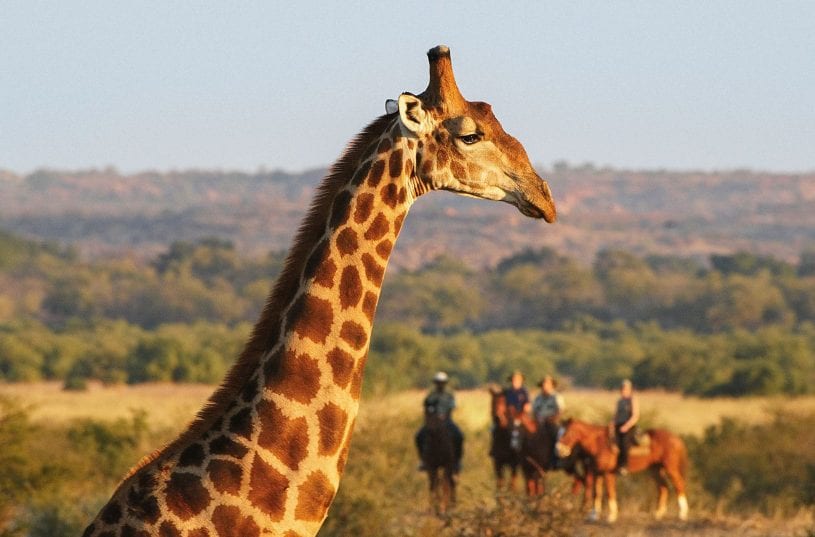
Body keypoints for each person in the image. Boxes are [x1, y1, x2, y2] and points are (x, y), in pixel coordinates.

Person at [415, 371, 464, 472]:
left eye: (442, 382)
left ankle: (457, 461)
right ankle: (423, 460)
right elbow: (426, 407)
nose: (440, 384)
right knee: (419, 436)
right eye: (438, 382)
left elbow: (452, 406)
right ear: (435, 383)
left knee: (459, 435)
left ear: (445, 383)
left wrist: (444, 415)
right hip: (432, 421)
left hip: (447, 420)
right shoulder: (431, 395)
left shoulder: (449, 395)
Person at [531, 374, 565, 469]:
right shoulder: (538, 398)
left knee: (557, 437)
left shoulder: (556, 397)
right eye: (544, 384)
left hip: (552, 423)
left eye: (548, 384)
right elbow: (534, 411)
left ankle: (556, 460)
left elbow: (560, 410)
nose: (545, 386)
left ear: (552, 385)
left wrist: (551, 419)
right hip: (539, 423)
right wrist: (537, 419)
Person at [613, 378, 640, 475]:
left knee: (624, 443)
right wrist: (612, 423)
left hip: (629, 426)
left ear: (629, 389)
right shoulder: (620, 401)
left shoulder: (632, 400)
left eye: (625, 388)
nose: (623, 390)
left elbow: (635, 415)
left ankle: (624, 465)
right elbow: (616, 414)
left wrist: (626, 426)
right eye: (622, 388)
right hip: (618, 425)